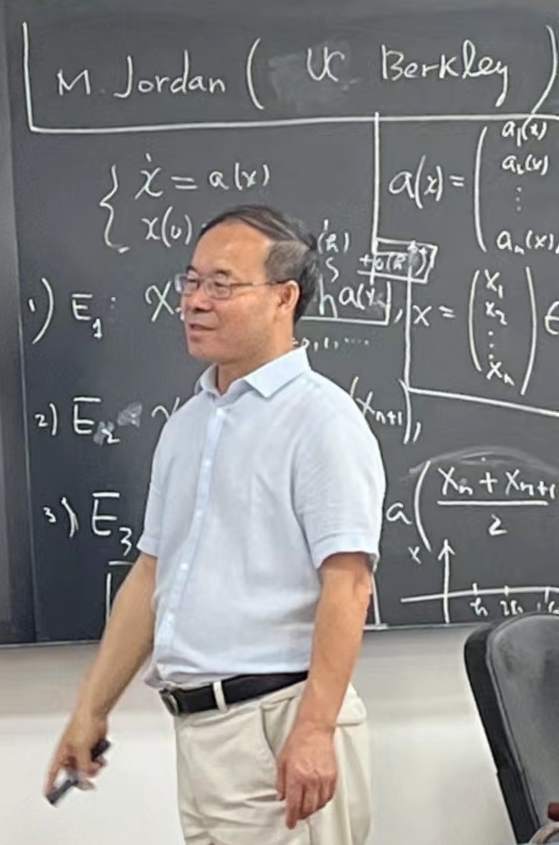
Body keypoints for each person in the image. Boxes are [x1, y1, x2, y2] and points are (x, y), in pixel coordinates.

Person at [44, 203, 385, 845]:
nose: (196, 301)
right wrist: (90, 709)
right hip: (202, 732)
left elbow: (349, 583)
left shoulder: (322, 423)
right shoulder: (189, 425)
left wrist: (315, 730)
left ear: (284, 297)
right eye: (192, 280)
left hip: (280, 723)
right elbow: (152, 576)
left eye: (222, 285)